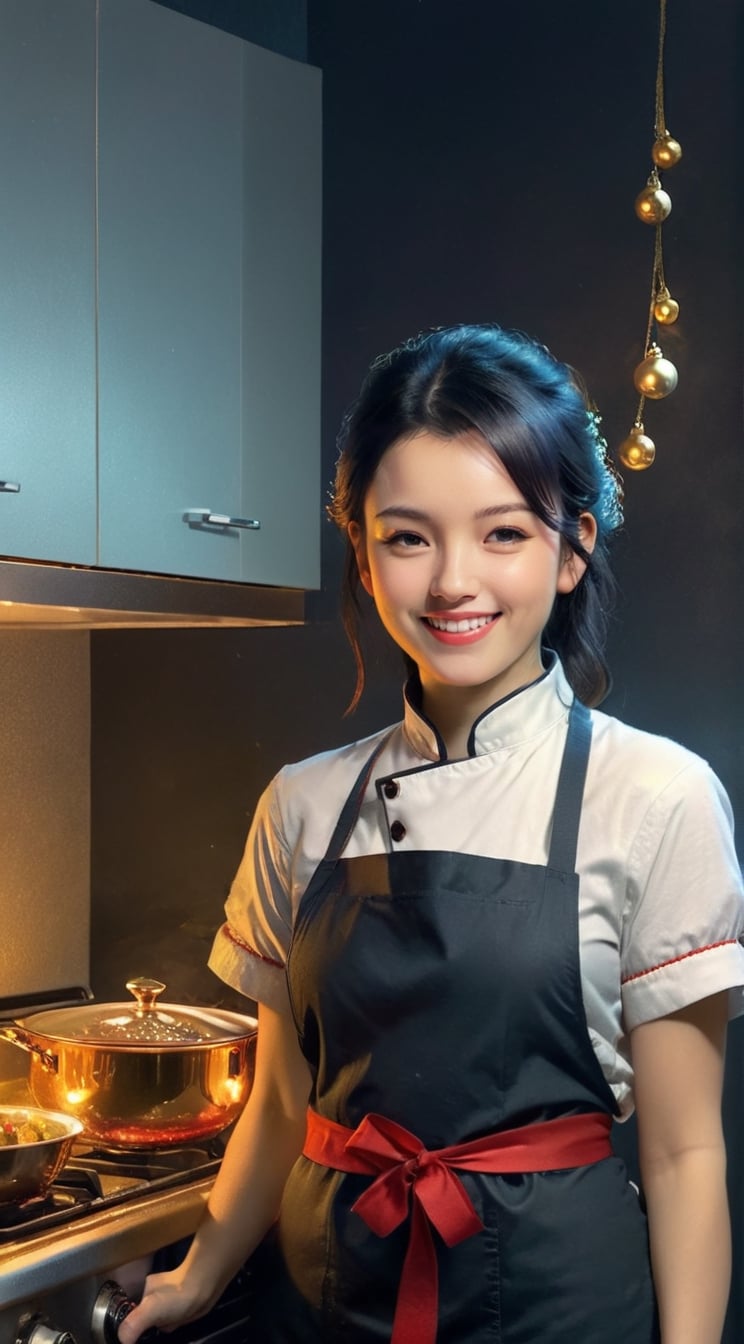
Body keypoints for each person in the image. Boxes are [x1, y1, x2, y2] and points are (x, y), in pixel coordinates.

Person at [119, 324, 744, 1344]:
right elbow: (281, 1104)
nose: (453, 581)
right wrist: (196, 1275)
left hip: (561, 1312)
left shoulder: (657, 797)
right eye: (409, 536)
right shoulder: (303, 803)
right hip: (327, 1304)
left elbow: (685, 1156)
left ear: (574, 547)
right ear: (363, 556)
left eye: (502, 533)